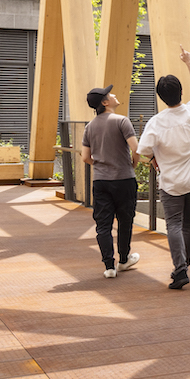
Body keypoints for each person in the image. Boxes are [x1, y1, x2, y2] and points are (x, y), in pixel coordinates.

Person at [137, 48, 190, 291]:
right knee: (189, 223)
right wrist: (189, 62)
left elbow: (143, 151)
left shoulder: (156, 123)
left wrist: (155, 160)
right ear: (181, 93)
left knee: (174, 225)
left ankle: (180, 269)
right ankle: (185, 264)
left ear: (161, 97)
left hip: (171, 183)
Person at [80, 84, 140, 278]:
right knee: (125, 220)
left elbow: (85, 157)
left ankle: (109, 266)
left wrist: (99, 164)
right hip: (124, 179)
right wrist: (133, 164)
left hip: (101, 181)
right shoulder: (122, 121)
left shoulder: (90, 127)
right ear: (105, 102)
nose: (114, 94)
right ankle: (124, 260)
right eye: (110, 94)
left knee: (103, 225)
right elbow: (136, 148)